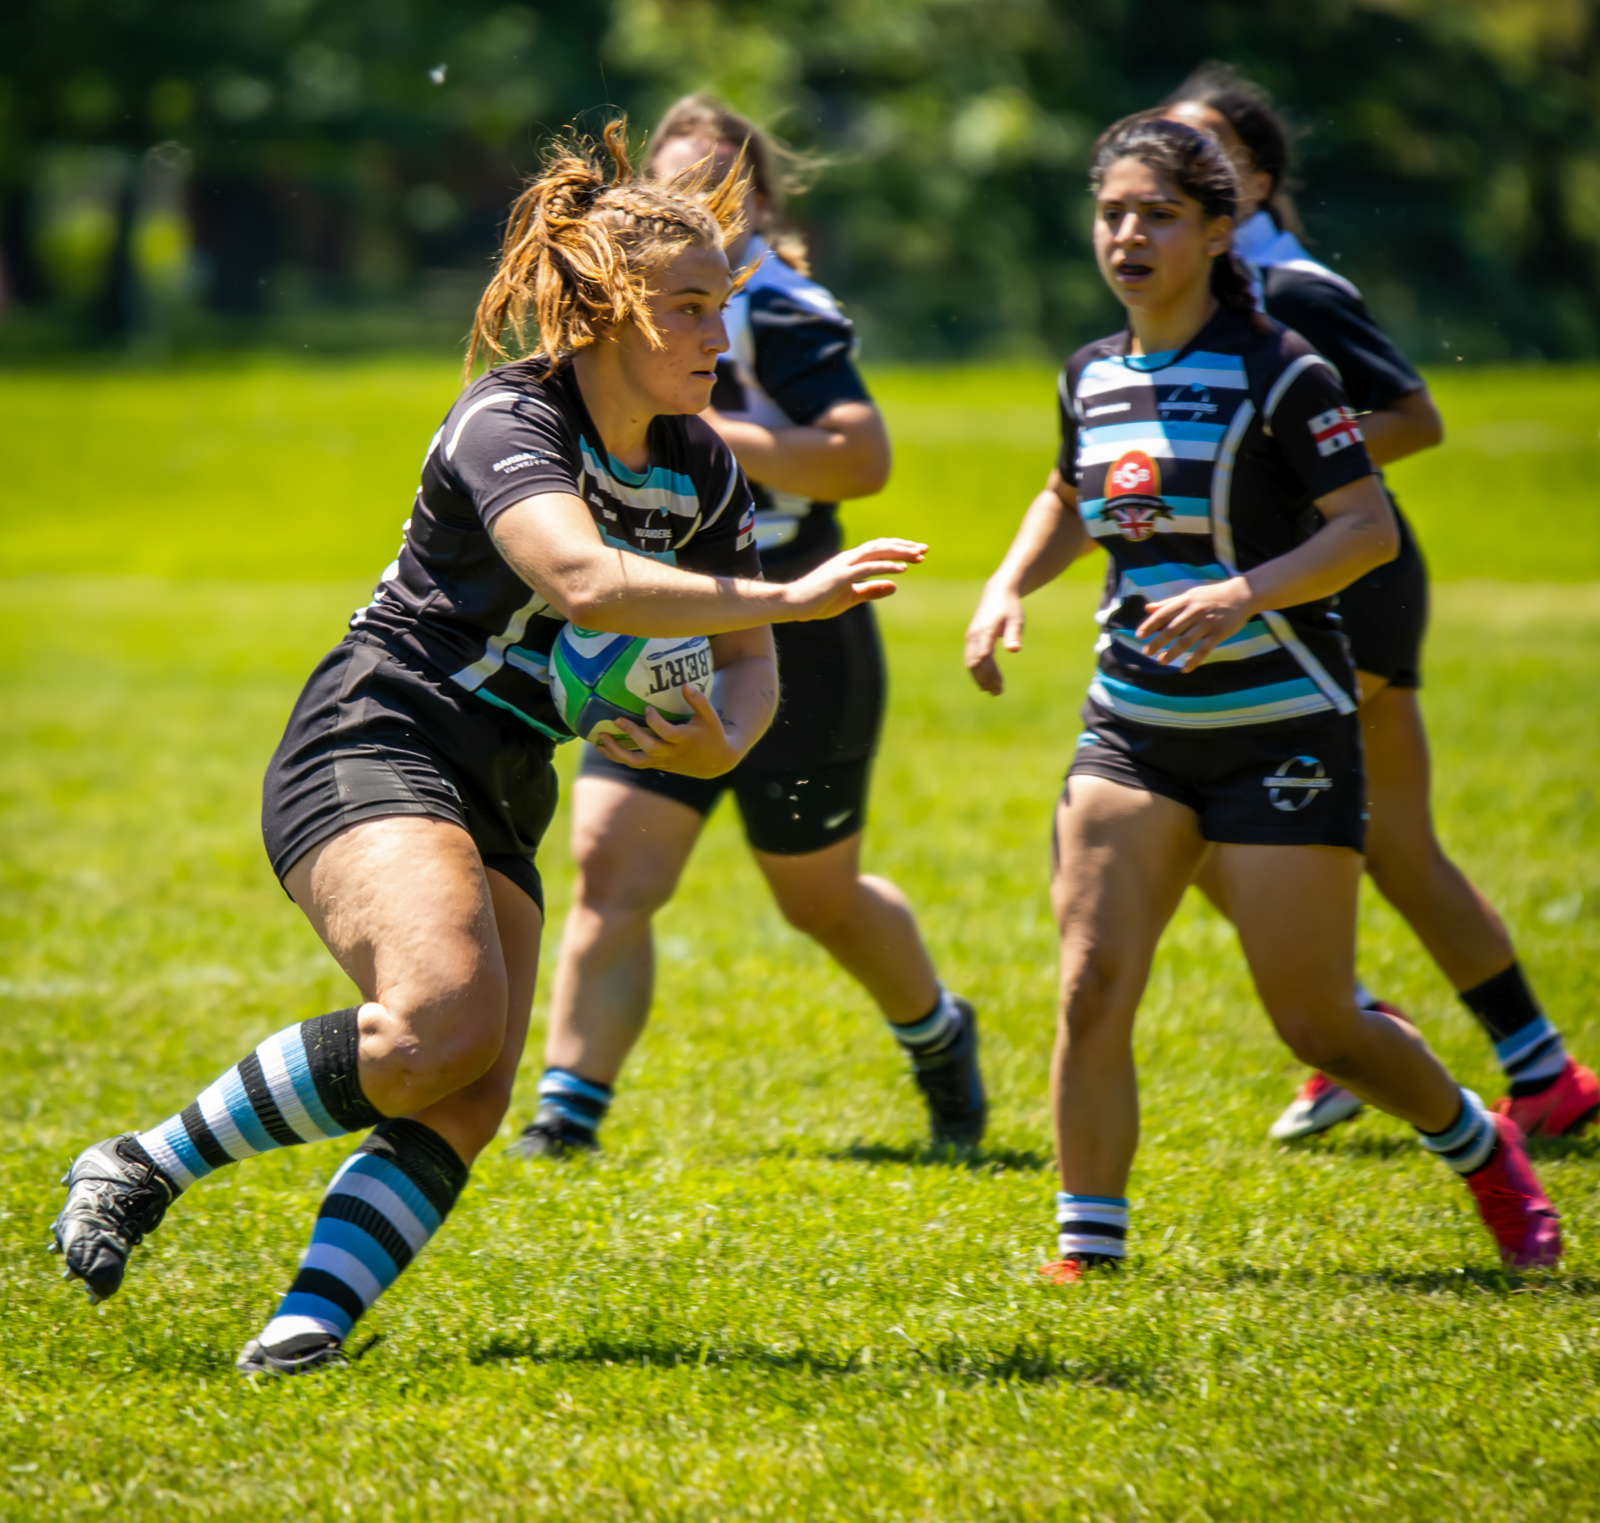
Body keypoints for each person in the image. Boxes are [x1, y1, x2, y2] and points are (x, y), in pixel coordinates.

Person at [48, 120, 928, 1375]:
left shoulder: (703, 468)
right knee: (436, 1026)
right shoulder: (506, 418)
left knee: (466, 1083)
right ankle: (140, 1162)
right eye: (686, 311)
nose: (717, 341)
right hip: (380, 727)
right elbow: (581, 578)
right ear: (604, 310)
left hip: (504, 772)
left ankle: (305, 1328)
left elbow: (748, 690)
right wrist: (795, 596)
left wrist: (704, 746)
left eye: (721, 306)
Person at [965, 112, 1561, 1282]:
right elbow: (1071, 493)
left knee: (1314, 1019)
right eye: (1111, 214)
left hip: (1280, 732)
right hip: (1131, 730)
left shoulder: (1283, 369)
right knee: (1089, 983)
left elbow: (1363, 528)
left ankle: (1475, 1138)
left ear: (1220, 227)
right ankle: (1088, 1254)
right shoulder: (1090, 371)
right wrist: (1003, 584)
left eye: (1158, 216)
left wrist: (1240, 592)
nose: (1126, 236)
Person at [508, 95, 984, 1162]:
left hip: (802, 632)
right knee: (610, 865)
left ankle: (937, 1031)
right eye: (673, 185)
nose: (697, 202)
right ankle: (566, 1111)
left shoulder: (780, 306)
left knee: (816, 895)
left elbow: (859, 459)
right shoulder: (612, 319)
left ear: (757, 203)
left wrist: (704, 429)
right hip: (659, 615)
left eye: (720, 183)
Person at [1160, 65, 1598, 1143]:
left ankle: (1348, 1023)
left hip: (1339, 583)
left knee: (1188, 813)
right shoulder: (1192, 288)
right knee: (1394, 840)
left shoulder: (1292, 292)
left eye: (1205, 158)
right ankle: (1536, 1069)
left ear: (1254, 184)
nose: (1174, 180)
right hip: (1298, 578)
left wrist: (1286, 469)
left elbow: (1414, 417)